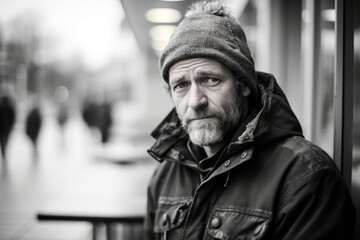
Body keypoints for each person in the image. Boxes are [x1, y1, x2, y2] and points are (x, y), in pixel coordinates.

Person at [145, 1, 356, 239]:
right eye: (181, 85)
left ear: (244, 84)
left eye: (210, 80)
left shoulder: (307, 177)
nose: (195, 101)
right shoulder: (165, 175)